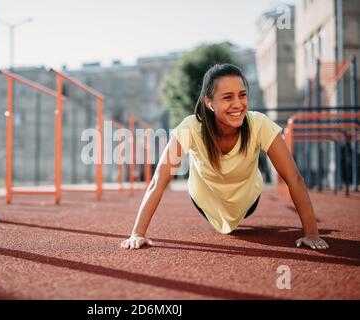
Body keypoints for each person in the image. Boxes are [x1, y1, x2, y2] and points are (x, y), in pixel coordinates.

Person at [120, 64, 329, 251]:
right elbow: (158, 181)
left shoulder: (258, 123)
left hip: (247, 199)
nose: (238, 104)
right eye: (228, 97)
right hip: (205, 198)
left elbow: (293, 177)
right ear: (209, 103)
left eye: (242, 95)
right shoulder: (190, 127)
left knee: (243, 214)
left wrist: (311, 232)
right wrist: (137, 233)